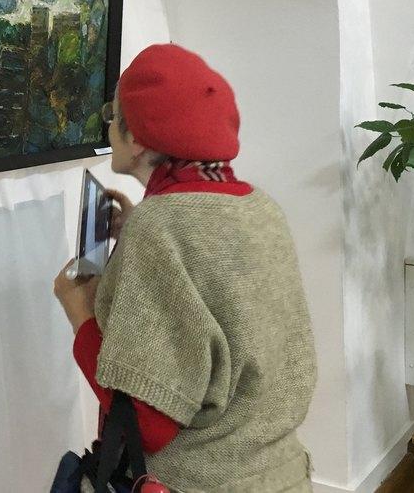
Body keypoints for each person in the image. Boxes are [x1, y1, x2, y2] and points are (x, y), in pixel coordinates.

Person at [53, 43, 317, 492]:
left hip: (196, 482)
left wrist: (79, 311)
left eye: (113, 116)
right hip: (280, 475)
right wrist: (138, 231)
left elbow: (145, 422)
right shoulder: (260, 208)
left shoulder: (159, 227)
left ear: (137, 138)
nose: (110, 127)